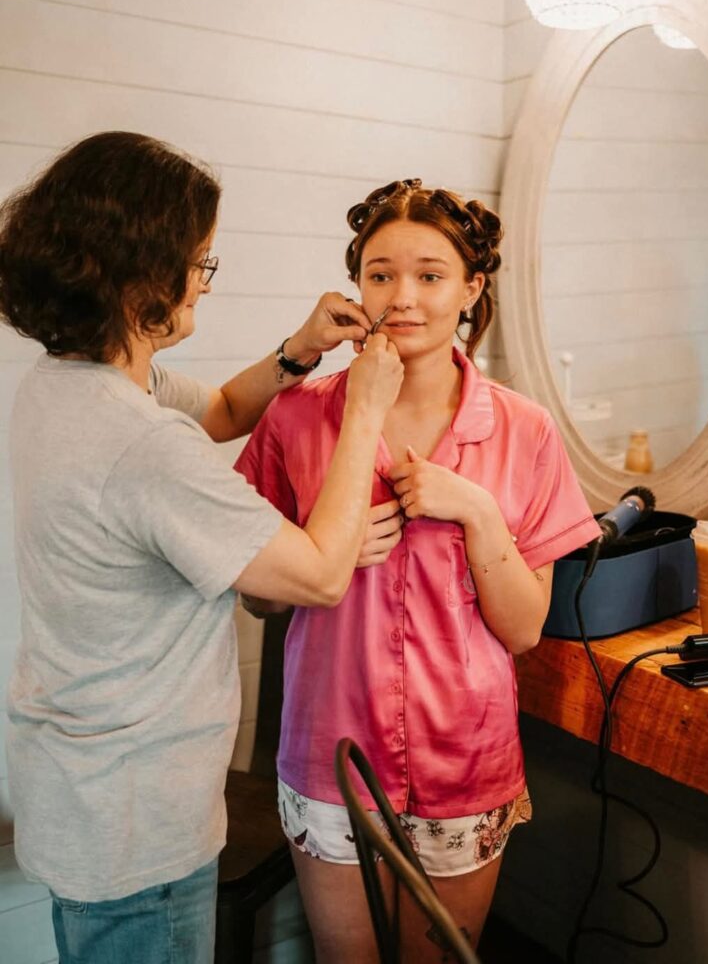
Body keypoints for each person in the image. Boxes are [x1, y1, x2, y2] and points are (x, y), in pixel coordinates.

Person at [0, 131, 403, 964]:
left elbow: (219, 408)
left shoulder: (65, 384)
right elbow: (322, 574)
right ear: (142, 274)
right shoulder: (141, 447)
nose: (203, 284)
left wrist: (299, 352)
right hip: (136, 828)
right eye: (201, 263)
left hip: (83, 792)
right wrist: (364, 411)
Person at [235, 178, 602, 961]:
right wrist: (312, 553)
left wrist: (476, 512)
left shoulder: (523, 431)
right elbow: (257, 599)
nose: (403, 297)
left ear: (471, 287)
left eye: (431, 275)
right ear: (356, 283)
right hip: (330, 752)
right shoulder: (298, 416)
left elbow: (525, 629)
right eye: (380, 274)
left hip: (465, 758)